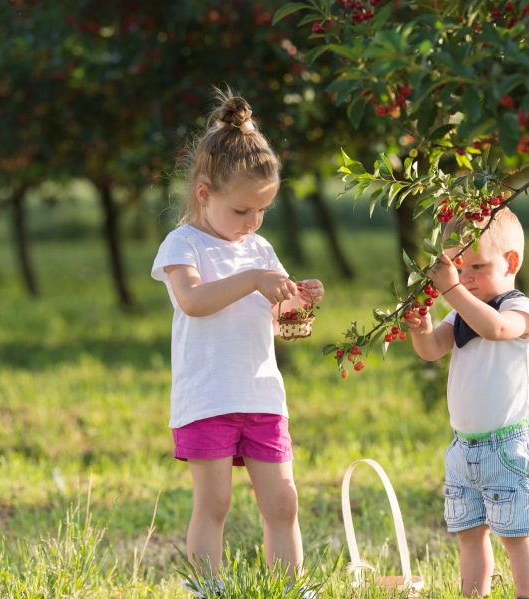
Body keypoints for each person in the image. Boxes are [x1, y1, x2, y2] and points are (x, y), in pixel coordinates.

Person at [151, 89, 323, 583]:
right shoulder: (182, 244)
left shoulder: (260, 248)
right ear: (205, 194)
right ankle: (208, 587)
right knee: (215, 503)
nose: (252, 223)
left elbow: (278, 319)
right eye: (242, 212)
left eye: (262, 212)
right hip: (207, 397)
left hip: (262, 395)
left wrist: (297, 302)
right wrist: (252, 279)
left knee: (283, 502)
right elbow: (194, 301)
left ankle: (289, 589)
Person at [405, 207, 529, 599]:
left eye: (476, 267)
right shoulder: (459, 310)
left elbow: (497, 329)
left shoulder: (523, 310)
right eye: (459, 269)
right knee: (469, 533)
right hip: (462, 448)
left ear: (511, 262)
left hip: (508, 448)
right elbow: (433, 351)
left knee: (515, 534)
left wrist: (452, 290)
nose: (465, 279)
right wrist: (423, 329)